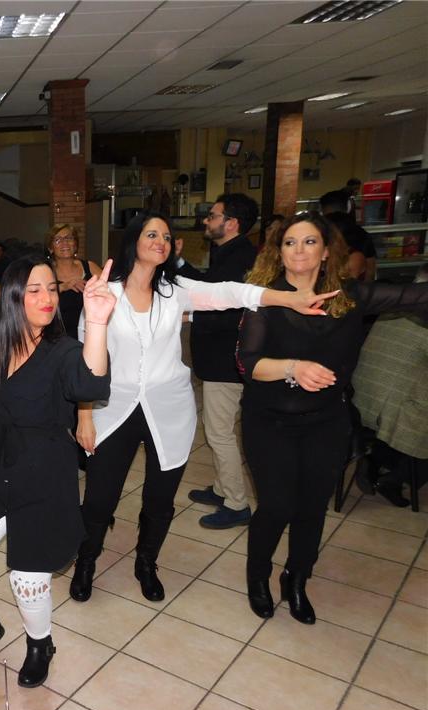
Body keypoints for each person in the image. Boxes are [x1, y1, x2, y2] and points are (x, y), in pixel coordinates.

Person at [68, 212, 338, 605]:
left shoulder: (174, 291)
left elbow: (231, 293)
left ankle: (146, 562)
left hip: (169, 408)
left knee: (160, 499)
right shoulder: (103, 293)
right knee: (99, 498)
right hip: (113, 407)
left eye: (166, 236)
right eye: (151, 234)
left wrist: (287, 298)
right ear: (133, 241)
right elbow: (84, 364)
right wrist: (84, 416)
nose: (161, 241)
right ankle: (86, 561)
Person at [238, 213, 428, 623]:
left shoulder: (349, 297)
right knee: (276, 505)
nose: (299, 250)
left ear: (326, 252)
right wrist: (293, 367)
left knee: (312, 507)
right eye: (290, 242)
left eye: (310, 242)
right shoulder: (265, 299)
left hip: (326, 422)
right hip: (269, 421)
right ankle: (258, 577)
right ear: (279, 252)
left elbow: (412, 297)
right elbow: (248, 364)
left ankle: (296, 578)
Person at [0, 254, 114, 688]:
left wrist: (97, 321)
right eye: (34, 290)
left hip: (45, 473)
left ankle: (40, 644)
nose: (47, 298)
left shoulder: (63, 351)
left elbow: (90, 384)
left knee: (26, 580)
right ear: (14, 298)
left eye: (52, 289)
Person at [177, 194, 259, 528]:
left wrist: (190, 316)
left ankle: (237, 503)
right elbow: (208, 287)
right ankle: (223, 488)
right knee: (218, 431)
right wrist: (179, 263)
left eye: (213, 216)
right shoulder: (229, 252)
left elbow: (228, 311)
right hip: (220, 361)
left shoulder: (240, 258)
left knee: (219, 433)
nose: (206, 221)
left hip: (227, 362)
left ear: (232, 223)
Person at [352, 270, 428, 508]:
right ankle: (396, 479)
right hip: (394, 406)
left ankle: (375, 460)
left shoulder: (392, 304)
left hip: (360, 398)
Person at [49, 223, 102, 341]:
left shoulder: (90, 267)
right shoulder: (46, 271)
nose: (64, 243)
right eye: (58, 240)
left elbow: (111, 292)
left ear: (76, 244)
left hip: (90, 336)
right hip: (57, 340)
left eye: (69, 238)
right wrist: (64, 286)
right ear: (50, 248)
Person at [320, 189, 376, 281]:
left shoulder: (317, 231)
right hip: (356, 286)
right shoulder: (360, 233)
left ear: (322, 209)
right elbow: (370, 270)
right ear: (347, 207)